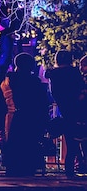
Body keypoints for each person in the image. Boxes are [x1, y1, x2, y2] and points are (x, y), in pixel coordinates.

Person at [0, 53, 50, 176]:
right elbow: (42, 103)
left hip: (12, 119)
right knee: (28, 152)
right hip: (31, 120)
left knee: (14, 150)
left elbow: (1, 103)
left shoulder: (7, 82)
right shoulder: (34, 82)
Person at [45, 50, 85, 178]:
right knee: (81, 140)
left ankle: (69, 171)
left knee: (71, 143)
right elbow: (81, 88)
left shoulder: (53, 75)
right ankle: (80, 167)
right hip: (79, 111)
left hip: (65, 111)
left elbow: (55, 94)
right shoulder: (73, 73)